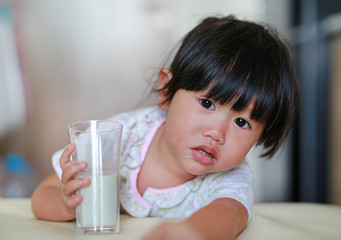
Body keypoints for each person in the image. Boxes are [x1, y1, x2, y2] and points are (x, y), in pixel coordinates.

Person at [31, 15, 299, 240]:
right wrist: (66, 204)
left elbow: (229, 215)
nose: (216, 133)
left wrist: (191, 232)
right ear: (167, 92)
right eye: (207, 103)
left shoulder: (229, 178)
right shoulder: (123, 136)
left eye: (242, 122)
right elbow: (42, 196)